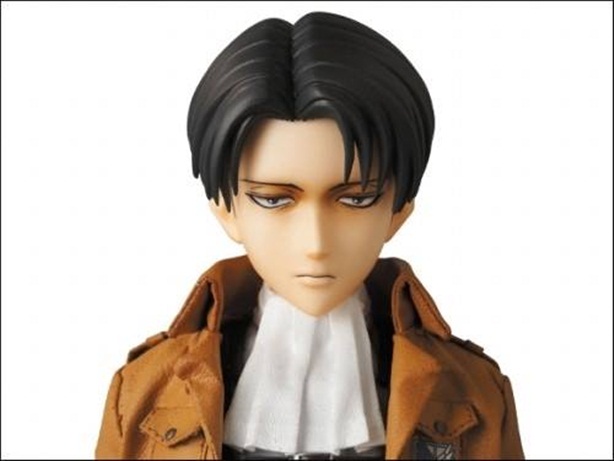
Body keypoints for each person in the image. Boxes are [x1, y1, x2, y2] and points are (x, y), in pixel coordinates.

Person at [96, 11, 524, 460]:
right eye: (272, 200)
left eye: (357, 199)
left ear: (397, 212)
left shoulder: (473, 390)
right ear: (226, 211)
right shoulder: (145, 389)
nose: (315, 244)